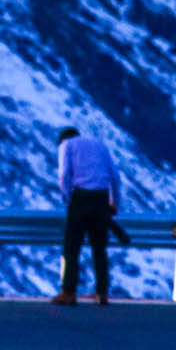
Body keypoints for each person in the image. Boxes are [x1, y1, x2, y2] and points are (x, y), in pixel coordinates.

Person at [51, 125, 122, 306]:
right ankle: (102, 293)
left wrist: (67, 197)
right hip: (101, 198)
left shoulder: (66, 145)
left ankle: (69, 292)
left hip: (80, 198)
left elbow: (64, 174)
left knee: (72, 248)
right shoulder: (100, 146)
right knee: (99, 248)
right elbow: (115, 176)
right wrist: (114, 203)